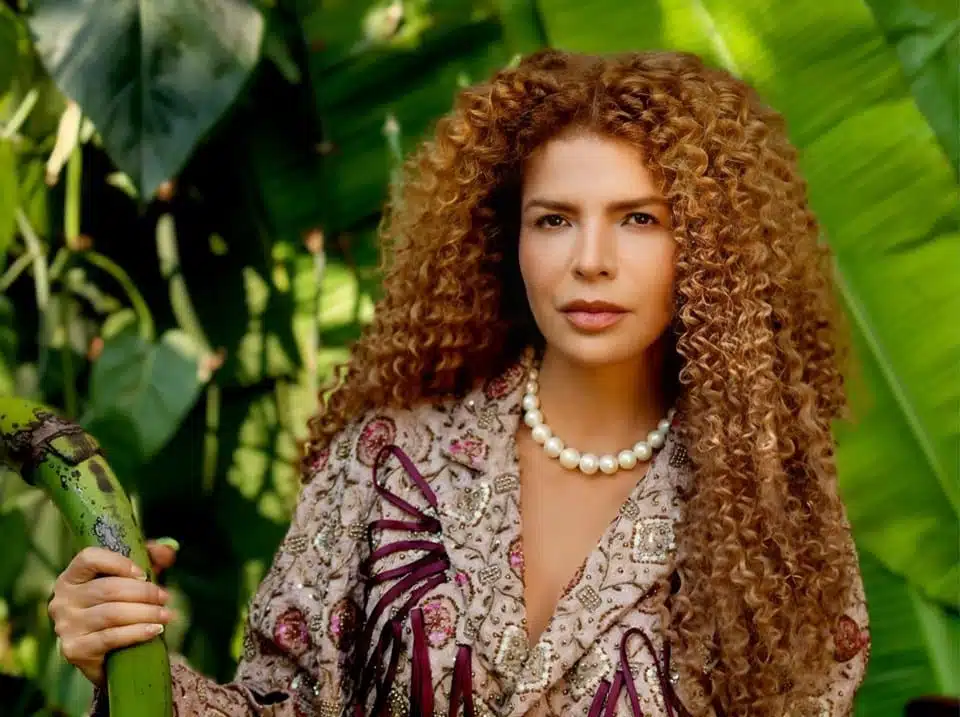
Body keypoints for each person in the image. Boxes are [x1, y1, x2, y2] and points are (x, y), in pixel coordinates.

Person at [47, 49, 870, 716]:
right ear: (508, 239)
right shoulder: (387, 458)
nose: (591, 260)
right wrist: (121, 655)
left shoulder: (767, 500)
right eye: (555, 219)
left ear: (710, 246)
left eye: (640, 218)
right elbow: (274, 708)